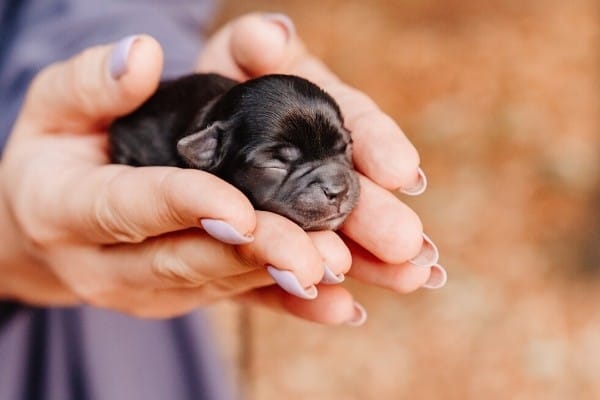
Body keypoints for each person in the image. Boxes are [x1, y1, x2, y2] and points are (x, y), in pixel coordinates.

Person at [0, 1, 447, 399]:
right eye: (280, 163)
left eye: (340, 148)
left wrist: (138, 50)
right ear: (206, 153)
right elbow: (127, 136)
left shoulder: (224, 133)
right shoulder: (166, 140)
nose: (335, 183)